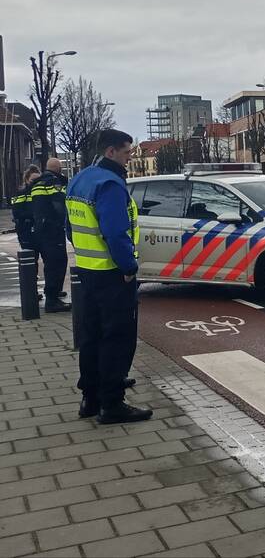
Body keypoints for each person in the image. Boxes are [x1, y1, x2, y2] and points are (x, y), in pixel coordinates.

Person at [66, 129, 151, 424]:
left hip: (88, 271)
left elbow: (70, 227)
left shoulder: (80, 179)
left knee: (91, 335)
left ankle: (90, 397)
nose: (130, 158)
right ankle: (112, 403)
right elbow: (116, 232)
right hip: (113, 275)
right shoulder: (110, 184)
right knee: (117, 338)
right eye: (127, 152)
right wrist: (128, 267)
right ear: (111, 152)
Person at [31, 158, 71, 312]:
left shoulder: (37, 183)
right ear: (59, 169)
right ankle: (52, 300)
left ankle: (52, 295)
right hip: (53, 229)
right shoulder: (53, 183)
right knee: (57, 263)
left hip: (40, 230)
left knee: (50, 264)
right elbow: (60, 206)